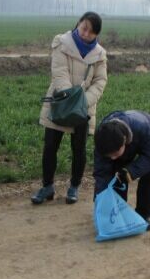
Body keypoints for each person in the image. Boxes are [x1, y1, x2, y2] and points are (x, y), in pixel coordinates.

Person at [33, 12, 108, 205]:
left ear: (96, 34)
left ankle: (74, 186)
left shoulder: (100, 54)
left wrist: (83, 102)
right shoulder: (61, 43)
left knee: (79, 149)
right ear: (78, 24)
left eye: (91, 32)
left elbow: (100, 81)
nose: (85, 33)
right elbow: (59, 72)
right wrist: (70, 99)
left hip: (84, 107)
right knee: (50, 147)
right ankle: (47, 186)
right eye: (84, 27)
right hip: (59, 102)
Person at [93, 110, 150, 230]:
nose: (112, 157)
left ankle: (144, 214)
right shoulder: (102, 139)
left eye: (115, 153)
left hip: (148, 133)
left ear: (124, 141)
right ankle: (119, 212)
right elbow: (102, 173)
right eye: (109, 155)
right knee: (116, 173)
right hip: (125, 139)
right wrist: (102, 200)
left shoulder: (143, 128)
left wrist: (131, 171)